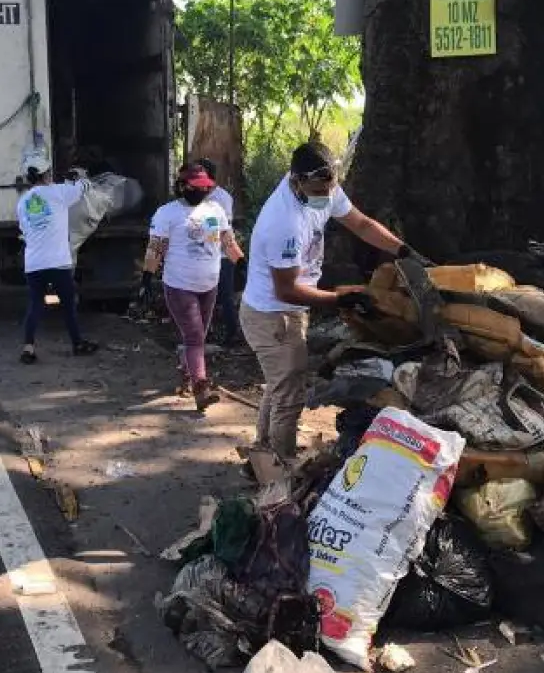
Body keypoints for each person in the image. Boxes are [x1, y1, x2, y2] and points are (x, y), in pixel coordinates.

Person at [241, 141, 428, 463]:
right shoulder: (283, 223)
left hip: (291, 309)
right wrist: (342, 299)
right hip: (272, 315)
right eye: (319, 191)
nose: (327, 198)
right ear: (296, 181)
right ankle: (284, 466)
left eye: (331, 189)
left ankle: (263, 454)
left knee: (281, 382)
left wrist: (403, 251)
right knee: (289, 395)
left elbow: (361, 224)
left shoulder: (323, 186)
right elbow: (286, 290)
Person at [139, 164, 244, 411]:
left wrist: (241, 261)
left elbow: (227, 241)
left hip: (210, 283)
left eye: (205, 187)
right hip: (179, 285)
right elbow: (156, 248)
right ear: (182, 186)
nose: (201, 191)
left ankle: (186, 374)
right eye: (195, 187)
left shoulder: (215, 209)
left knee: (196, 336)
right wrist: (146, 277)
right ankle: (201, 388)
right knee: (195, 336)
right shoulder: (167, 214)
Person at [16, 150, 100, 364]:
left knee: (35, 304)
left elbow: (24, 230)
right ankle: (77, 343)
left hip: (33, 263)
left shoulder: (23, 202)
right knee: (68, 304)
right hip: (58, 262)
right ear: (46, 174)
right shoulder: (59, 192)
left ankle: (28, 348)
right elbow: (85, 187)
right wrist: (79, 176)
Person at [197, 157, 242, 347]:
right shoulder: (202, 196)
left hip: (222, 256)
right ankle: (207, 333)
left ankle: (233, 333)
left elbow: (220, 230)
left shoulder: (222, 198)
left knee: (225, 297)